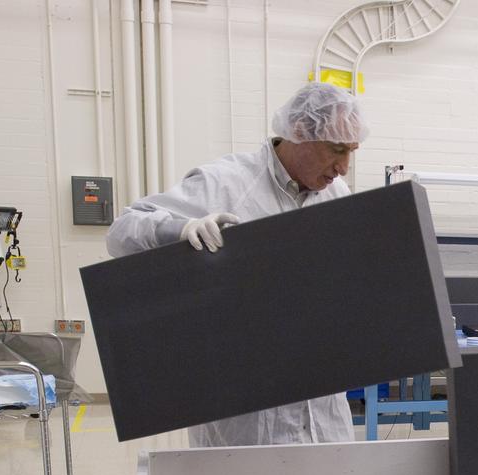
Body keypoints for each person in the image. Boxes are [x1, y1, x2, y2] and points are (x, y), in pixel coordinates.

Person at [106, 82, 368, 447]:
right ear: (299, 134)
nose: (343, 167)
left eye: (351, 151)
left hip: (323, 413)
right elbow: (122, 231)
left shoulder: (337, 196)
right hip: (246, 418)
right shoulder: (227, 183)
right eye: (336, 150)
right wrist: (180, 230)